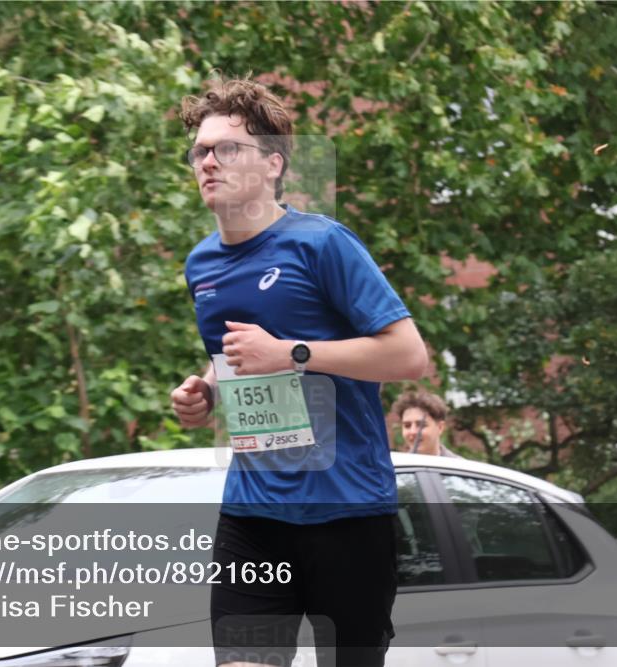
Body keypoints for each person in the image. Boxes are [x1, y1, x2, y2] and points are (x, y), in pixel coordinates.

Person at [169, 75, 428, 667]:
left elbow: (408, 354)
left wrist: (294, 352)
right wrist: (204, 391)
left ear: (273, 165)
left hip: (346, 511)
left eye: (227, 149)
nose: (208, 161)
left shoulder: (322, 244)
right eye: (200, 151)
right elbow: (239, 358)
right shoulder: (201, 263)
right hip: (253, 513)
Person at [391, 389, 461, 458]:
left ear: (440, 428)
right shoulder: (395, 467)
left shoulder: (460, 467)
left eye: (421, 425)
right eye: (407, 426)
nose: (413, 431)